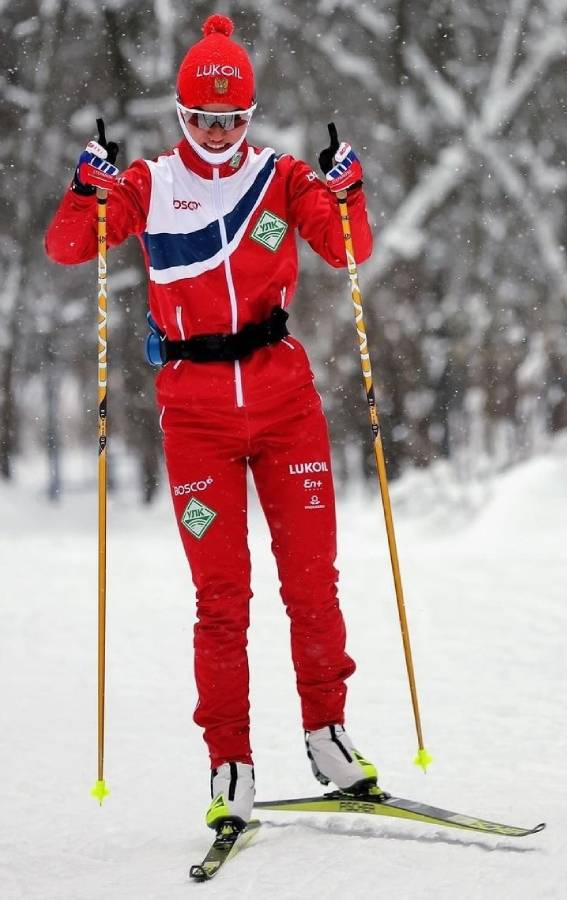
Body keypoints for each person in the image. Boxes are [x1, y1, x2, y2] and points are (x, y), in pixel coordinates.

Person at [45, 13, 378, 833]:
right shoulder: (152, 185)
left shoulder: (281, 178)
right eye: (203, 119)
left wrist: (348, 189)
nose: (219, 134)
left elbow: (348, 248)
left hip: (285, 405)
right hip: (195, 417)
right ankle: (230, 762)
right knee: (222, 599)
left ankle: (327, 735)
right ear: (180, 116)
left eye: (233, 119)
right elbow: (65, 247)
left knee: (312, 582)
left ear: (252, 114)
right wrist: (86, 186)